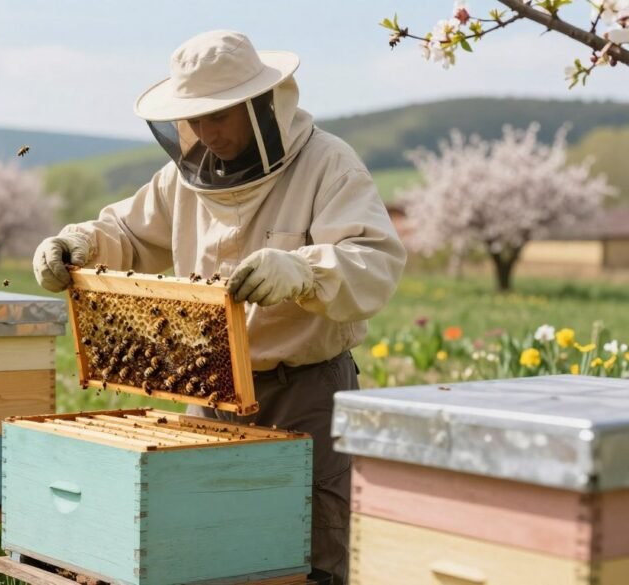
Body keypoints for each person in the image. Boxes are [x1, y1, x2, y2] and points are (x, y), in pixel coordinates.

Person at [32, 30, 405, 584]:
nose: (206, 134)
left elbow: (374, 262)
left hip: (304, 392)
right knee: (206, 546)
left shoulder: (329, 164)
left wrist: (303, 269)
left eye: (218, 118)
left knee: (313, 552)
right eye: (195, 120)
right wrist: (79, 243)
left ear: (260, 106)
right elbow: (128, 233)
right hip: (210, 390)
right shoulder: (183, 178)